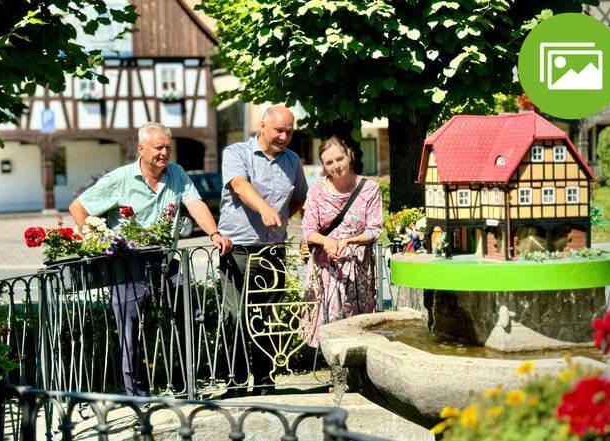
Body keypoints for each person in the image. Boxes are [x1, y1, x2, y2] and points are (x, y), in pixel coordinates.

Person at [69, 121, 232, 396]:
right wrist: (98, 241)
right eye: (159, 147)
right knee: (131, 333)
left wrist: (214, 232)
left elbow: (195, 204)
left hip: (166, 262)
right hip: (127, 267)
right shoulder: (119, 179)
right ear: (141, 149)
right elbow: (78, 207)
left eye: (168, 147)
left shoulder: (177, 174)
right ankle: (138, 396)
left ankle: (186, 385)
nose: (165, 153)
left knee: (191, 316)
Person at [217, 105, 308, 396]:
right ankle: (237, 382)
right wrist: (265, 209)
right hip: (239, 247)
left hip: (272, 249)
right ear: (263, 126)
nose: (284, 136)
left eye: (289, 131)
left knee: (267, 315)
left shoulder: (293, 160)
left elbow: (300, 198)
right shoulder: (236, 153)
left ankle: (265, 380)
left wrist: (280, 220)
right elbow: (240, 185)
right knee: (236, 316)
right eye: (279, 130)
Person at [301, 136, 383, 348]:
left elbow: (374, 229)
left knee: (358, 327)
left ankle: (356, 378)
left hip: (358, 271)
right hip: (326, 269)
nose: (336, 166)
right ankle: (337, 378)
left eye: (339, 159)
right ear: (324, 166)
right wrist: (327, 241)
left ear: (349, 155)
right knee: (329, 323)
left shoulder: (369, 189)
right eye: (329, 162)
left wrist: (348, 241)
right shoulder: (317, 190)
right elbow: (308, 229)